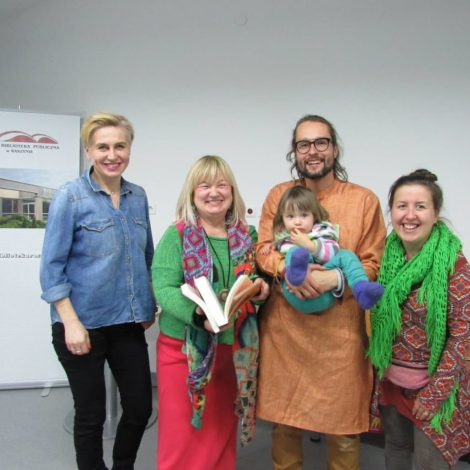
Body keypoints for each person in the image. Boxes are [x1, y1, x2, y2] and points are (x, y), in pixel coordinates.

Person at [255, 114, 386, 470]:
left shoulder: (364, 201)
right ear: (294, 152)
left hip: (339, 336)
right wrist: (287, 270)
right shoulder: (278, 196)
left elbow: (374, 262)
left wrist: (336, 280)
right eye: (303, 144)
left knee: (343, 428)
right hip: (286, 332)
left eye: (320, 142)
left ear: (335, 149)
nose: (312, 151)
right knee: (284, 423)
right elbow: (263, 249)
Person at [40, 112, 155, 470]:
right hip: (82, 324)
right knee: (91, 415)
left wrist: (146, 304)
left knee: (139, 407)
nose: (112, 154)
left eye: (120, 146)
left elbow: (145, 256)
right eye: (102, 147)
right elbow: (51, 268)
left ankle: (122, 465)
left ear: (129, 149)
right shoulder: (70, 197)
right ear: (88, 151)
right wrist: (71, 323)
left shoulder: (137, 196)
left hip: (126, 322)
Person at [152, 155, 269, 470]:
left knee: (220, 434)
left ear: (232, 190)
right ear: (192, 193)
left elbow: (254, 281)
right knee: (182, 437)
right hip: (184, 353)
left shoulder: (248, 236)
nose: (213, 192)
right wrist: (198, 315)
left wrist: (260, 291)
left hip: (233, 353)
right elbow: (163, 287)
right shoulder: (177, 235)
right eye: (204, 185)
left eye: (221, 184)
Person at [368, 169, 470, 469]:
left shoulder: (454, 264)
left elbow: (463, 333)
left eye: (420, 206)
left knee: (430, 462)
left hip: (436, 389)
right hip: (391, 381)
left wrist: (436, 393)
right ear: (391, 211)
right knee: (396, 450)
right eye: (402, 206)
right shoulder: (384, 257)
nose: (409, 215)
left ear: (435, 214)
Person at [266, 185, 384, 313]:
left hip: (325, 290)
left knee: (346, 255)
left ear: (314, 215)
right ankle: (297, 273)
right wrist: (270, 246)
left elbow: (332, 254)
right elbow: (271, 253)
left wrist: (311, 246)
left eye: (304, 215)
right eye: (290, 216)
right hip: (295, 291)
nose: (297, 222)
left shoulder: (322, 230)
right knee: (294, 253)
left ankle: (361, 288)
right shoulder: (283, 236)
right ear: (282, 218)